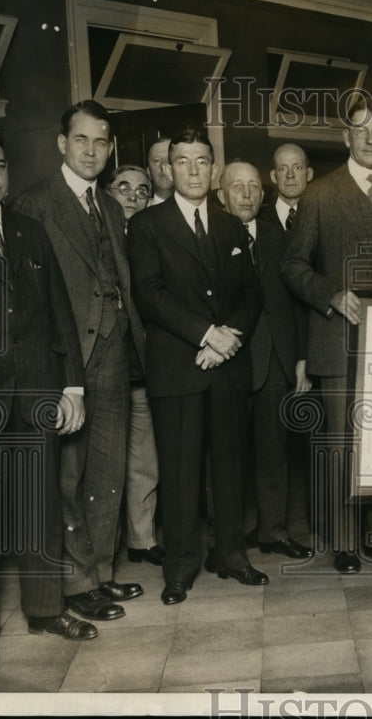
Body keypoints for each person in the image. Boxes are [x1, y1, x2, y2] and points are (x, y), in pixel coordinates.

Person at [0, 127, 98, 667]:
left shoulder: (30, 231)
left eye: (0, 165)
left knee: (40, 513)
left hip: (35, 396)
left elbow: (62, 313)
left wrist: (73, 386)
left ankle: (45, 609)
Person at [13, 100, 144, 622]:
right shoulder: (34, 204)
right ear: (62, 143)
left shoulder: (110, 206)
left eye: (102, 141)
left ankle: (102, 573)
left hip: (114, 353)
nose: (93, 151)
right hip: (66, 360)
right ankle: (75, 583)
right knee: (68, 476)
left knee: (107, 472)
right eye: (82, 140)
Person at [281, 103, 372, 574]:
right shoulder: (320, 194)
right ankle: (344, 542)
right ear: (346, 138)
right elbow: (292, 265)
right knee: (342, 443)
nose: (371, 138)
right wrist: (332, 295)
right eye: (362, 131)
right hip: (338, 343)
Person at [127, 130, 265, 604]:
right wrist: (207, 335)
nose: (192, 170)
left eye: (202, 161)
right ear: (167, 168)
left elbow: (252, 294)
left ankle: (231, 555)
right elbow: (149, 293)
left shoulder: (231, 226)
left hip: (226, 366)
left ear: (213, 170)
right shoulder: (146, 225)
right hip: (178, 367)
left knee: (230, 465)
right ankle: (180, 565)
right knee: (181, 472)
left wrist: (227, 341)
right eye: (182, 161)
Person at [216, 159, 314, 560]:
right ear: (221, 195)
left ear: (264, 192)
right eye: (237, 187)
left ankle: (273, 531)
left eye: (254, 187)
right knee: (226, 456)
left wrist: (301, 358)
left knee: (274, 451)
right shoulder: (210, 236)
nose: (246, 194)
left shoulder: (279, 237)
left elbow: (299, 303)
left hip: (275, 359)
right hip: (227, 360)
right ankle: (229, 539)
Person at [100, 165, 164, 567]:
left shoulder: (150, 237)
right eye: (123, 188)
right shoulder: (97, 234)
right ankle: (104, 550)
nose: (132, 196)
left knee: (144, 460)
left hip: (142, 366)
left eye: (142, 191)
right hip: (103, 368)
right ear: (108, 191)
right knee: (104, 464)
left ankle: (142, 541)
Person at [258, 142, 312, 233]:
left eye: (297, 168)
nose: (290, 175)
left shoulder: (324, 218)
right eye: (282, 169)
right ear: (273, 176)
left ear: (309, 174)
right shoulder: (257, 218)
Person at [146, 136, 175, 205]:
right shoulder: (140, 212)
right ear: (149, 172)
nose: (163, 165)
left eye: (169, 159)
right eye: (156, 160)